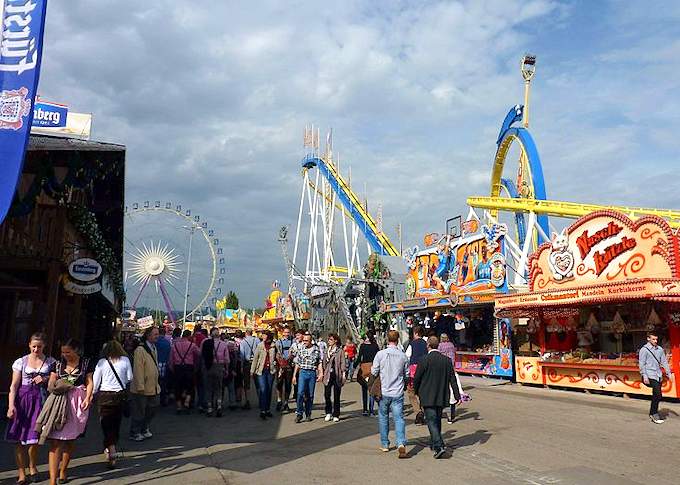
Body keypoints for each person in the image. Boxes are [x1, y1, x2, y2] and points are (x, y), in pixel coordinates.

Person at [5, 332, 56, 484]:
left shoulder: (51, 362)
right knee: (19, 440)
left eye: (39, 347)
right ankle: (21, 472)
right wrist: (11, 405)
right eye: (33, 346)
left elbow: (55, 381)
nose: (36, 349)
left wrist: (45, 378)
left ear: (44, 346)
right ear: (29, 345)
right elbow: (14, 385)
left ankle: (33, 466)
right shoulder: (20, 362)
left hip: (39, 401)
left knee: (34, 439)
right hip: (22, 401)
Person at [46, 339, 94, 485]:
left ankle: (63, 470)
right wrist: (53, 385)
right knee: (55, 442)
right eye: (62, 352)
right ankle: (52, 481)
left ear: (76, 350)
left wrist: (88, 397)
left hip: (77, 403)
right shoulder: (57, 364)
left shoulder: (86, 363)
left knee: (70, 440)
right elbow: (51, 382)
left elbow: (89, 381)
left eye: (68, 352)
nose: (65, 354)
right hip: (59, 403)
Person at [413, 336, 461, 459]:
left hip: (427, 394)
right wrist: (457, 395)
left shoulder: (424, 360)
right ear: (438, 345)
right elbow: (453, 379)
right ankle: (435, 443)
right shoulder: (446, 360)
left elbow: (417, 378)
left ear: (428, 345)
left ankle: (439, 446)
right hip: (441, 394)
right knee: (437, 420)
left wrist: (416, 391)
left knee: (431, 421)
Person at [93, 340, 133, 468]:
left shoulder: (102, 362)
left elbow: (95, 382)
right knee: (116, 423)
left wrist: (91, 395)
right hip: (119, 396)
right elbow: (130, 377)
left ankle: (111, 450)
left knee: (105, 424)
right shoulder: (125, 360)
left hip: (104, 396)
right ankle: (112, 447)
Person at [371, 330, 409, 458]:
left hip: (384, 391)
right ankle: (401, 442)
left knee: (383, 417)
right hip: (397, 392)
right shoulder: (402, 356)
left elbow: (374, 371)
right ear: (398, 340)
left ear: (387, 340)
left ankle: (385, 444)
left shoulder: (380, 354)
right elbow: (407, 374)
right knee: (399, 418)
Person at [130, 327, 160, 442]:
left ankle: (144, 427)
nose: (157, 336)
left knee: (153, 407)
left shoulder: (154, 348)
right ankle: (135, 431)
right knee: (139, 410)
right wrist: (140, 386)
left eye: (157, 334)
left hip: (153, 386)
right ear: (148, 335)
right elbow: (138, 369)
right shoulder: (140, 350)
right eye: (155, 334)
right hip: (142, 387)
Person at [639, 332, 673, 424]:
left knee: (656, 395)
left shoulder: (660, 349)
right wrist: (644, 375)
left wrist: (668, 373)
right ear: (648, 339)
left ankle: (652, 412)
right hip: (649, 375)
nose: (655, 341)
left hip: (658, 375)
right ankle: (654, 414)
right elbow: (642, 364)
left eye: (656, 339)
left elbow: (664, 362)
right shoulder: (644, 350)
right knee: (658, 394)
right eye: (653, 339)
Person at [292, 332, 322, 423]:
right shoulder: (301, 349)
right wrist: (294, 376)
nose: (304, 342)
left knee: (310, 395)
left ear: (310, 341)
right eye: (303, 340)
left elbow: (319, 362)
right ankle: (299, 413)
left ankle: (308, 413)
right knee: (300, 393)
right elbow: (297, 363)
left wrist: (321, 373)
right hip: (303, 372)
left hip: (312, 373)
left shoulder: (316, 349)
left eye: (306, 340)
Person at [201, 327, 230, 417]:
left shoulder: (205, 342)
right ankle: (219, 406)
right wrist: (227, 369)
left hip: (208, 367)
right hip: (219, 367)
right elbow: (227, 359)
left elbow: (201, 355)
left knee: (209, 388)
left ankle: (209, 408)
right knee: (219, 388)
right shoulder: (223, 344)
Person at [169, 329, 200, 414]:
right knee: (190, 386)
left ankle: (179, 406)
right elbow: (199, 353)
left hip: (178, 367)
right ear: (189, 336)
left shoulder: (174, 346)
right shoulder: (192, 345)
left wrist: (172, 368)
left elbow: (171, 359)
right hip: (189, 367)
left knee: (178, 387)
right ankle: (187, 402)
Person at [251, 331, 278, 419]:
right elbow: (255, 358)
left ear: (268, 337)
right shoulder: (260, 345)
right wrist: (252, 370)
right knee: (263, 389)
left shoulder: (274, 346)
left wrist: (278, 367)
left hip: (271, 371)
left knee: (269, 390)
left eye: (264, 335)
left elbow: (278, 357)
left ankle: (267, 409)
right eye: (263, 336)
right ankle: (262, 410)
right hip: (261, 371)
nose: (263, 337)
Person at [405, 325, 427, 425]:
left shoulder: (412, 344)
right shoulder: (426, 343)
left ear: (416, 333)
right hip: (424, 370)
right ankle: (423, 411)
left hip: (413, 371)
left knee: (411, 393)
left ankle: (418, 412)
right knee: (422, 392)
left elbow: (407, 357)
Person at [322, 333, 346, 422]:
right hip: (328, 375)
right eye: (328, 339)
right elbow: (324, 362)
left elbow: (343, 363)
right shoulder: (326, 350)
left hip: (337, 375)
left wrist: (343, 375)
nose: (329, 341)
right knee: (327, 394)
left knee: (336, 395)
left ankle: (336, 414)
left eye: (331, 339)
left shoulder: (340, 351)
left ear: (335, 340)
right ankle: (328, 412)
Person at [357, 332, 380, 416]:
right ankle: (371, 410)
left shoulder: (363, 346)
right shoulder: (375, 346)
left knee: (364, 389)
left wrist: (354, 366)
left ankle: (365, 409)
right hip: (373, 368)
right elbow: (379, 357)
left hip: (364, 369)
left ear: (366, 336)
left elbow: (359, 357)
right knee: (372, 389)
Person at [438, 333, 457, 424]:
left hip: (442, 369)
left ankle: (442, 412)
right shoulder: (452, 345)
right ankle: (451, 416)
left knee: (443, 392)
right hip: (451, 368)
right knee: (452, 393)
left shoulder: (440, 346)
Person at [239, 329, 260, 410]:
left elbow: (242, 355)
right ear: (252, 333)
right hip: (256, 363)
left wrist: (241, 366)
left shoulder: (243, 342)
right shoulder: (257, 340)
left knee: (247, 383)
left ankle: (247, 401)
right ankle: (261, 400)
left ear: (246, 334)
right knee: (258, 382)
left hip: (247, 364)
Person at [275, 327, 295, 412]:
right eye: (285, 332)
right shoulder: (278, 342)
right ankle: (279, 400)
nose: (287, 334)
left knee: (288, 385)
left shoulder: (293, 342)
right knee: (279, 384)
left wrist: (291, 357)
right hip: (280, 366)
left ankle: (286, 402)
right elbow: (276, 353)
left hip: (289, 366)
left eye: (288, 332)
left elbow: (294, 352)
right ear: (282, 333)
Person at [156, 327, 171, 407]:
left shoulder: (155, 342)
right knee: (163, 383)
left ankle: (154, 399)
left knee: (155, 382)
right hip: (165, 363)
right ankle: (163, 400)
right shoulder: (167, 343)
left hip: (156, 363)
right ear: (164, 333)